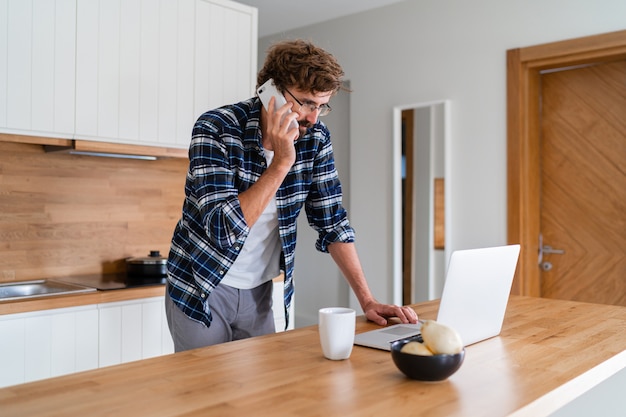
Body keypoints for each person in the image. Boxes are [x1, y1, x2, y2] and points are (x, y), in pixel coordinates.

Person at [165, 39, 418, 352]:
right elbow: (222, 229)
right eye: (307, 103)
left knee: (261, 395)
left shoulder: (315, 139)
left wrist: (368, 300)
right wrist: (282, 163)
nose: (313, 118)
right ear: (270, 91)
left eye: (321, 106)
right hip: (201, 285)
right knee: (201, 393)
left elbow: (333, 222)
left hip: (260, 290)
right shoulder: (216, 128)